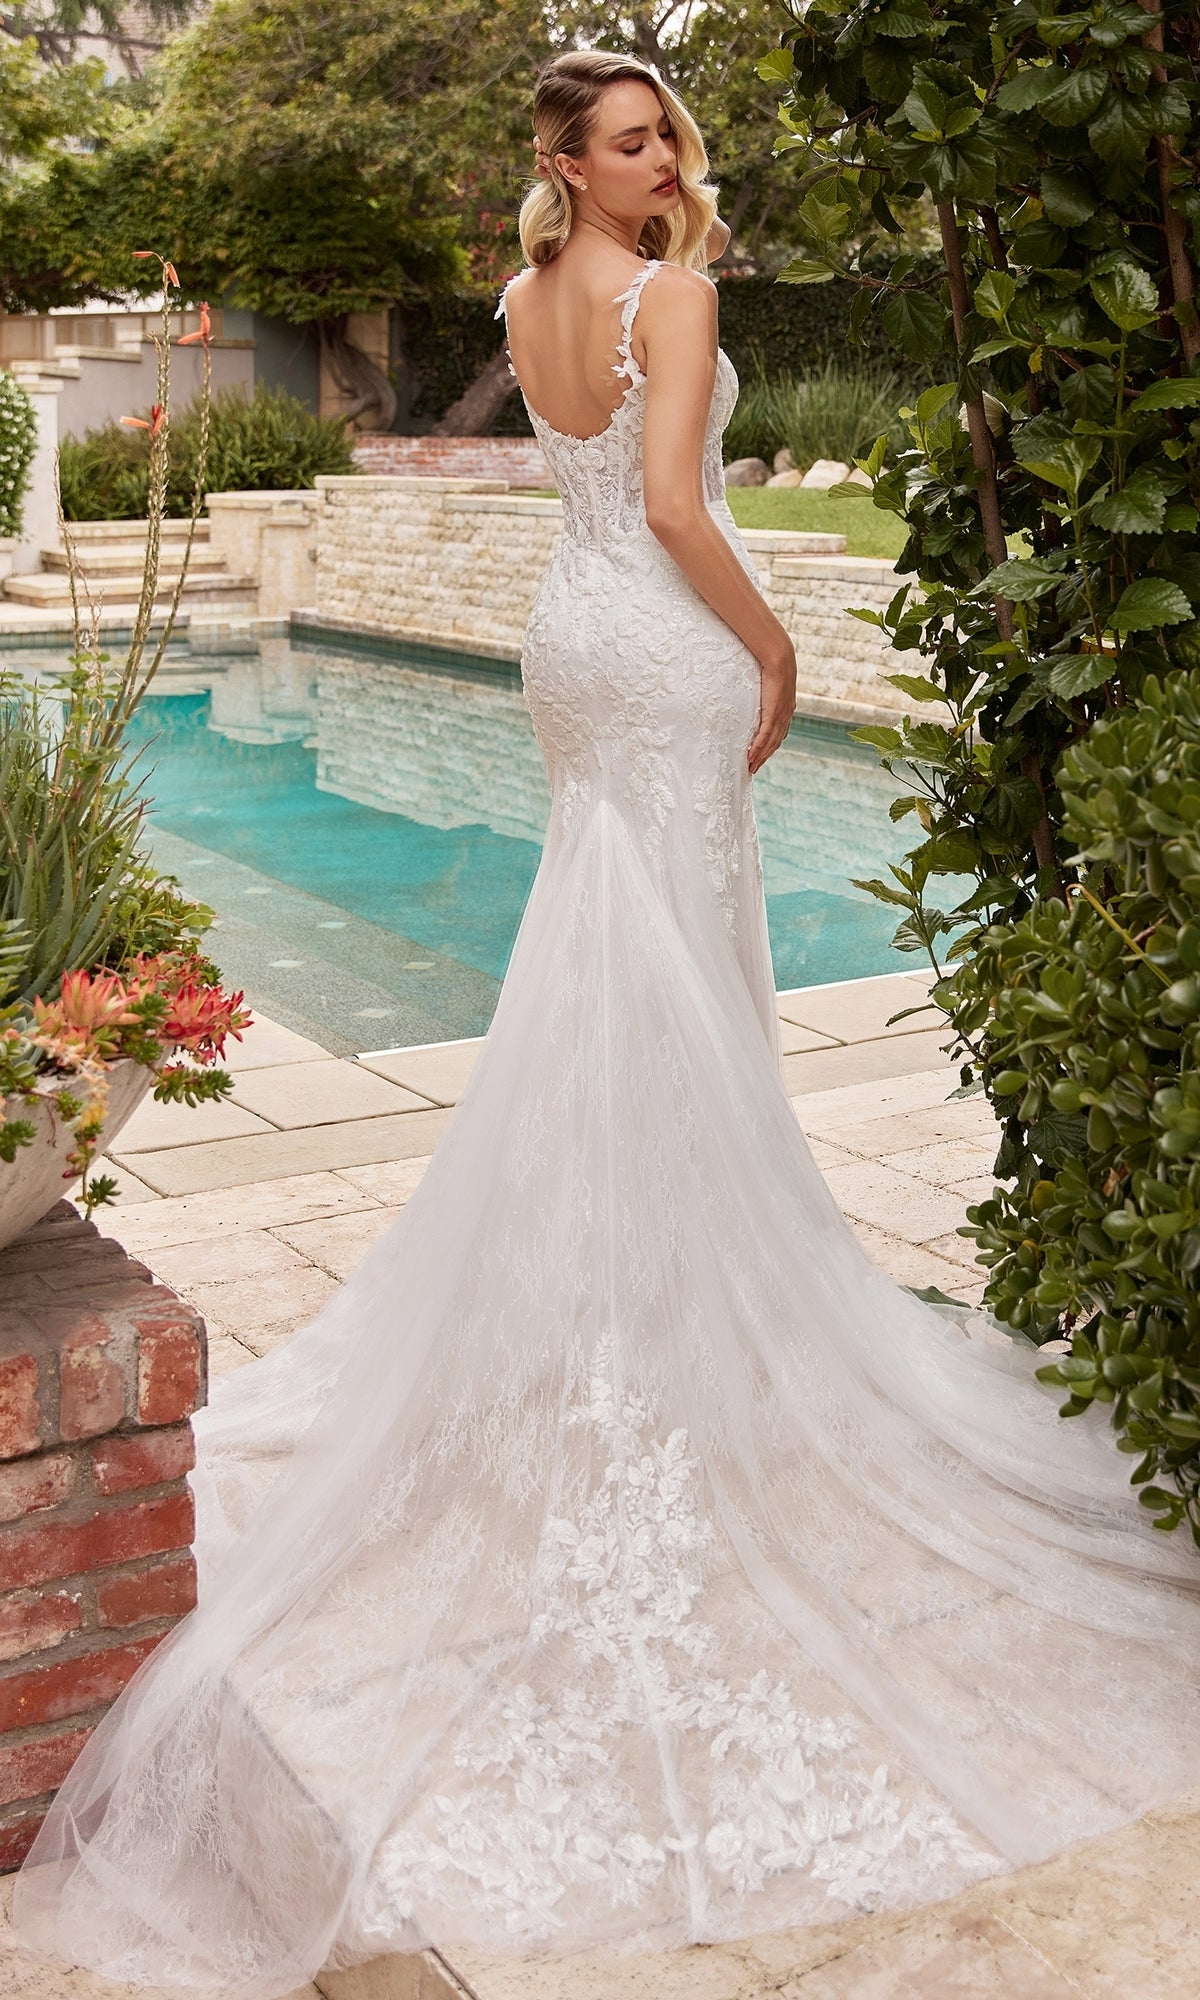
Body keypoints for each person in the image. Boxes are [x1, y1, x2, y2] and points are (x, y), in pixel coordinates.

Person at [13, 47, 1200, 2000]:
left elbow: (588, 488)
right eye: (636, 137)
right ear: (568, 154)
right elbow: (668, 500)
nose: (670, 158)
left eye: (672, 135)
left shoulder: (522, 296)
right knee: (678, 983)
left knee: (606, 969)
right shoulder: (674, 289)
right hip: (651, 642)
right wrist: (778, 636)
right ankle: (678, 1313)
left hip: (562, 652)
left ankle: (624, 1295)